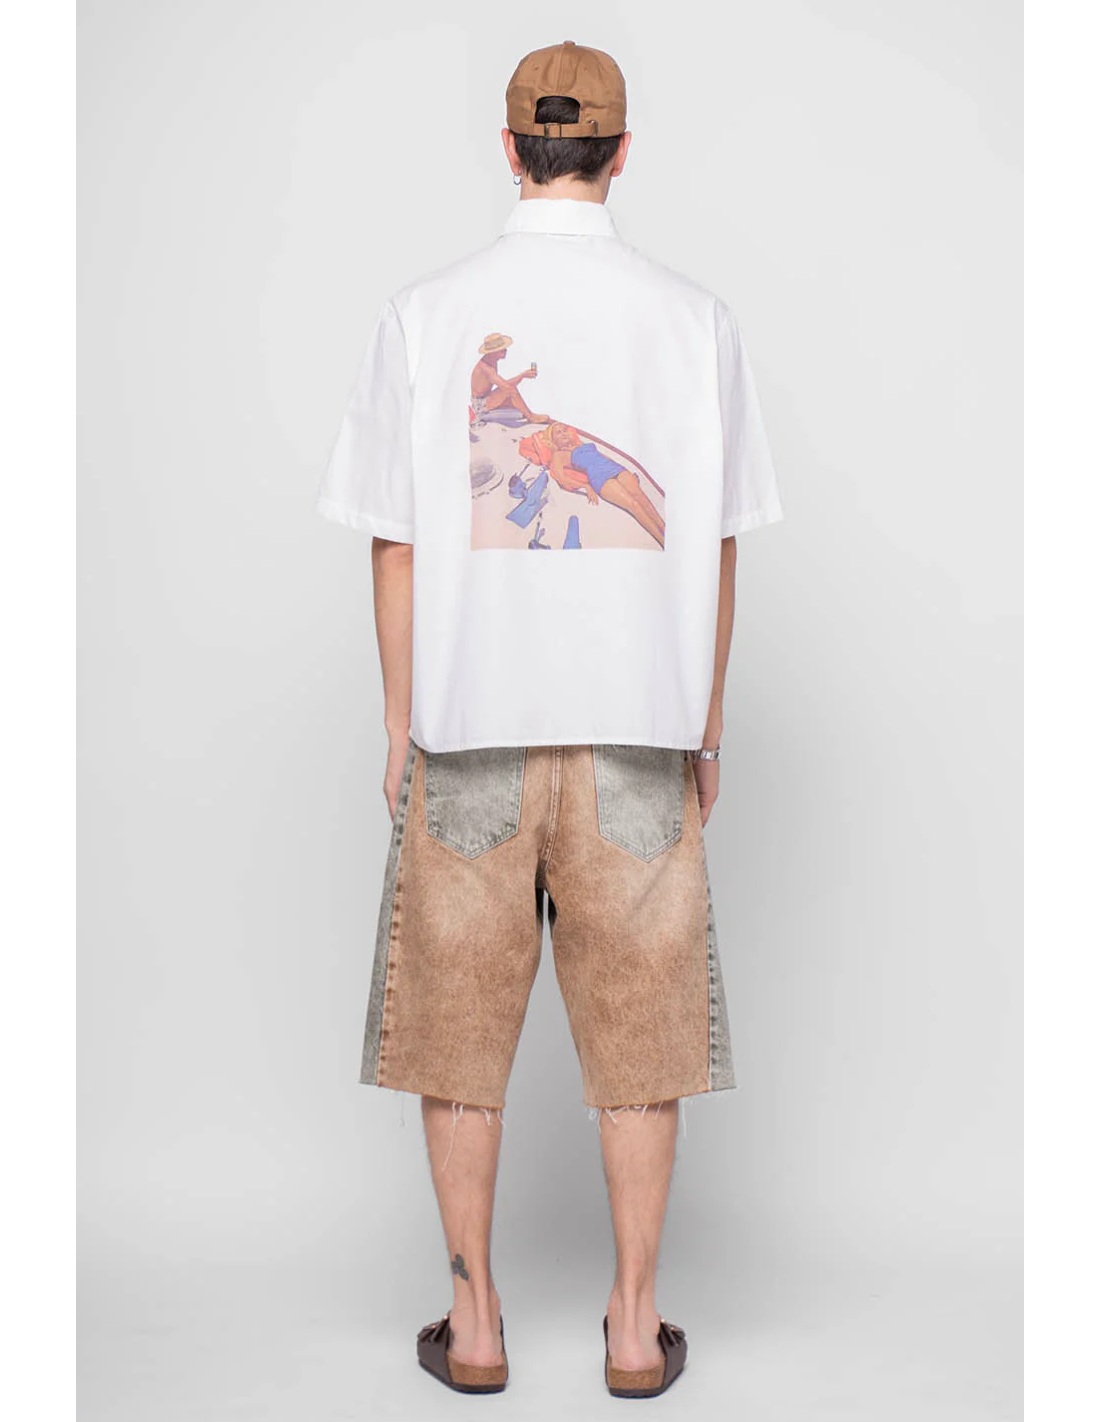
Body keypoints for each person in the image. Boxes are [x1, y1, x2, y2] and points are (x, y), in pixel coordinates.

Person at [317, 39, 783, 1398]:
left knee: (455, 1035)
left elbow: (395, 541)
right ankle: (635, 1328)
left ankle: (473, 1325)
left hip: (467, 728)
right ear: (622, 153)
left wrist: (399, 722)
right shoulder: (696, 320)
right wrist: (705, 728)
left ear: (510, 149)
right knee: (643, 1039)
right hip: (639, 731)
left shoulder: (422, 314)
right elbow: (719, 542)